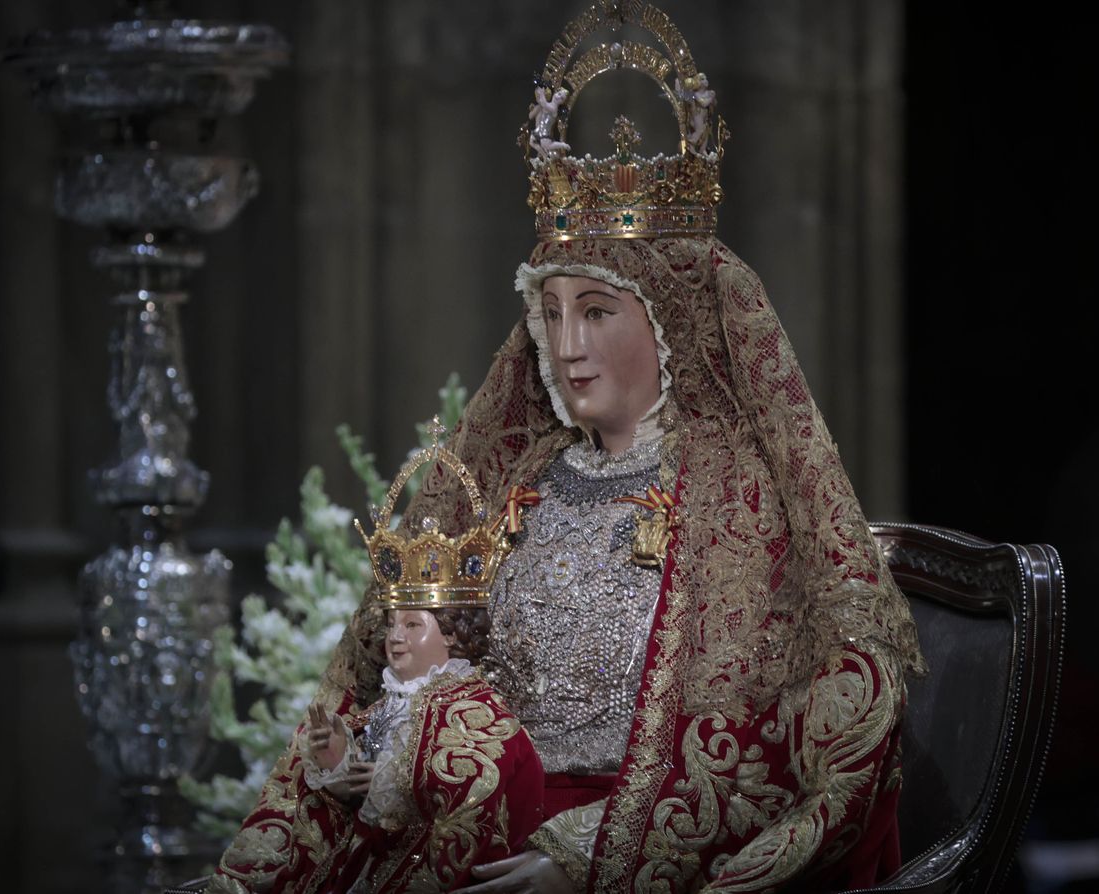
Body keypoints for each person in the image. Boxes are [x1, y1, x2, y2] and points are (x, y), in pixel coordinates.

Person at [217, 3, 924, 891]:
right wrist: (351, 761)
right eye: (550, 314)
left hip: (614, 845)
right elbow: (392, 687)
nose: (567, 345)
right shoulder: (508, 478)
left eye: (597, 311)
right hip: (463, 832)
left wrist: (587, 854)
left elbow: (765, 739)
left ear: (673, 318)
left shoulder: (735, 501)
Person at [213, 452, 544, 894]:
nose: (395, 637)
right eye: (391, 624)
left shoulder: (476, 712)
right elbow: (361, 804)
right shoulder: (388, 704)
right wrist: (337, 761)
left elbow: (478, 791)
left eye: (412, 624)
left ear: (451, 634)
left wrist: (396, 780)